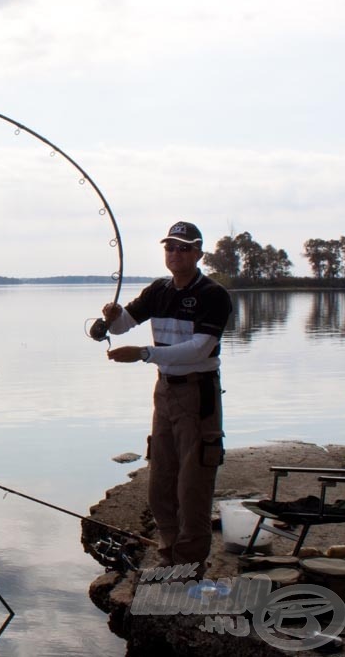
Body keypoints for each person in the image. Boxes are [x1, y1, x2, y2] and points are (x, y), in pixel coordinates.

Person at [101, 221, 233, 575]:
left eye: (184, 247)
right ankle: (167, 555)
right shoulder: (158, 290)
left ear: (198, 254)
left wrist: (144, 353)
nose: (175, 253)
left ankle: (189, 566)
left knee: (193, 484)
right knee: (161, 479)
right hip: (165, 391)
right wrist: (110, 317)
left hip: (198, 391)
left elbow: (199, 348)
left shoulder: (213, 295)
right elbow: (121, 325)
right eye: (170, 247)